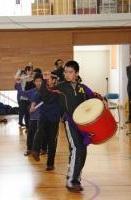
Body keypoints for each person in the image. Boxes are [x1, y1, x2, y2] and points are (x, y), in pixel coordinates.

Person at [37, 61, 103, 192]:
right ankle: (71, 181)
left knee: (82, 152)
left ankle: (76, 179)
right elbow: (46, 96)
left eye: (70, 72)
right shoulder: (60, 88)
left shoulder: (83, 88)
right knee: (76, 148)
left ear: (77, 73)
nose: (67, 74)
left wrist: (102, 100)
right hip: (70, 122)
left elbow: (94, 98)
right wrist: (44, 82)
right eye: (65, 72)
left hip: (83, 125)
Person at [31, 72, 61, 171]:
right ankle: (35, 150)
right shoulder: (43, 89)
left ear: (54, 80)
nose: (47, 80)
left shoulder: (59, 90)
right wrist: (33, 105)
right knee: (39, 131)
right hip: (43, 116)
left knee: (52, 142)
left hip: (54, 119)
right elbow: (36, 96)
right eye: (46, 79)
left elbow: (62, 102)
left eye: (49, 78)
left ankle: (50, 164)